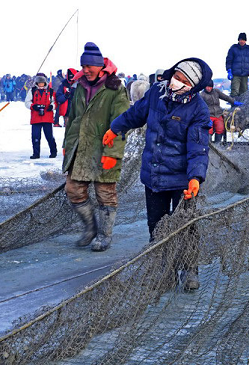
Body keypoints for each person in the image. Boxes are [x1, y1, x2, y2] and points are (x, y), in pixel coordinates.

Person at [105, 58, 213, 290]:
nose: (177, 82)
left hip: (183, 180)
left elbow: (198, 148)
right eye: (177, 76)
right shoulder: (156, 93)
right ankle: (165, 270)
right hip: (154, 176)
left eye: (184, 81)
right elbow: (135, 114)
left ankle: (190, 268)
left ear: (193, 86)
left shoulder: (199, 110)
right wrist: (115, 128)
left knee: (186, 225)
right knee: (156, 226)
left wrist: (195, 177)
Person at [62, 42, 130, 252]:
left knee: (105, 193)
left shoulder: (115, 89)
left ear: (100, 66)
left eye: (89, 67)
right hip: (80, 149)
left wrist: (113, 153)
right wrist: (67, 144)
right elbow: (72, 118)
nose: (86, 70)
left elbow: (121, 122)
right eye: (83, 67)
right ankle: (90, 228)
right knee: (73, 189)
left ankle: (104, 235)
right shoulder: (80, 86)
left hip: (104, 148)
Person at [25, 73, 58, 160]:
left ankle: (53, 152)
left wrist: (52, 106)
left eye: (42, 83)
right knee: (35, 136)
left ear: (45, 83)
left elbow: (54, 102)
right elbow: (27, 102)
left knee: (49, 136)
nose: (41, 85)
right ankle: (36, 153)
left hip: (47, 117)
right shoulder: (32, 91)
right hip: (36, 118)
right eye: (39, 83)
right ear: (36, 83)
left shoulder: (50, 91)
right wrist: (33, 106)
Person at [200, 80, 242, 144]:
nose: (209, 88)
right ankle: (208, 145)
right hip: (208, 115)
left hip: (218, 114)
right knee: (208, 130)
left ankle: (217, 145)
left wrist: (233, 102)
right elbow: (200, 107)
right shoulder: (202, 95)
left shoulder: (216, 91)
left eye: (210, 87)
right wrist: (204, 117)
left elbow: (226, 97)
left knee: (220, 129)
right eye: (207, 87)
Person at [226, 32, 249, 97]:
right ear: (238, 40)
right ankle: (234, 106)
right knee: (234, 92)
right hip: (235, 74)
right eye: (241, 39)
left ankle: (243, 107)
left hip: (245, 75)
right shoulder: (233, 48)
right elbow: (229, 60)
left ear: (245, 40)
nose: (242, 41)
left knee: (244, 93)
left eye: (243, 40)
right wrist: (229, 70)